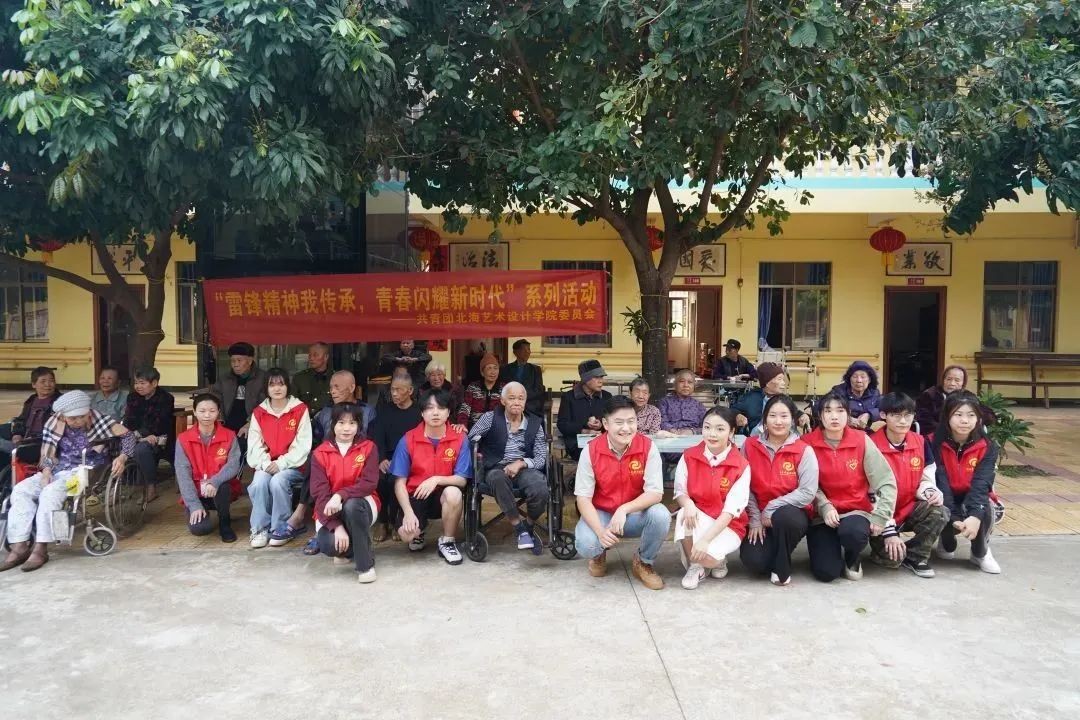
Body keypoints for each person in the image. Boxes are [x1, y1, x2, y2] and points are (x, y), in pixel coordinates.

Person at [1, 391, 135, 573]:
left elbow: (128, 436)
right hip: (58, 469)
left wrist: (122, 457)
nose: (78, 421)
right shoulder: (54, 423)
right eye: (72, 418)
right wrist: (46, 471)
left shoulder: (100, 420)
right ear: (63, 416)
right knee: (21, 490)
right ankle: (19, 545)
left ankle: (41, 547)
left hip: (86, 472)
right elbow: (48, 453)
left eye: (82, 416)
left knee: (50, 493)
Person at [574, 395, 669, 591]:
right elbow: (583, 498)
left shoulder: (647, 447)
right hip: (602, 515)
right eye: (619, 422)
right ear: (605, 424)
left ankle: (643, 561)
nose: (626, 428)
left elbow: (655, 493)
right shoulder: (591, 450)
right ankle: (598, 554)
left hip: (634, 515)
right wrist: (600, 532)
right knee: (587, 545)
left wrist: (624, 509)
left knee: (661, 515)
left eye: (631, 421)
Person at [803, 390, 897, 582]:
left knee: (853, 533)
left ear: (848, 414)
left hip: (855, 511)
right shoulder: (807, 443)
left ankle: (852, 557)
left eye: (840, 411)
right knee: (826, 573)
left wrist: (882, 515)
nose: (834, 416)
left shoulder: (861, 440)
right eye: (828, 411)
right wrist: (824, 505)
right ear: (820, 415)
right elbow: (805, 483)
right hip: (822, 516)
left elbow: (885, 480)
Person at [869, 392, 950, 578]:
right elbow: (867, 491)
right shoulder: (871, 445)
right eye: (896, 415)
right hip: (878, 512)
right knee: (891, 561)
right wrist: (888, 530)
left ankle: (916, 556)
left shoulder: (920, 442)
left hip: (908, 506)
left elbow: (926, 477)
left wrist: (930, 492)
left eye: (908, 415)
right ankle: (885, 549)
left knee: (940, 511)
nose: (903, 421)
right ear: (883, 415)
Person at [740, 395, 818, 586]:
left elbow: (808, 492)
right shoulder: (749, 445)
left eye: (784, 416)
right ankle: (773, 550)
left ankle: (781, 566)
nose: (778, 421)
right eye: (773, 415)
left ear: (792, 419)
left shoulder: (803, 450)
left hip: (791, 515)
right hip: (759, 514)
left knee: (785, 517)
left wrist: (772, 507)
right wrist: (755, 518)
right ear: (765, 418)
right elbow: (743, 485)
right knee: (755, 562)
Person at [390, 388, 473, 565]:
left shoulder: (460, 438)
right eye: (429, 408)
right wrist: (408, 513)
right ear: (422, 413)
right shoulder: (408, 439)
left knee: (454, 493)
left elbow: (462, 479)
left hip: (443, 495)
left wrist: (436, 479)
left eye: (441, 408)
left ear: (448, 412)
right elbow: (399, 483)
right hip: (417, 495)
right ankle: (419, 531)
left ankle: (447, 541)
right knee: (407, 535)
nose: (435, 413)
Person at [673, 407, 751, 589]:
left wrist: (705, 541)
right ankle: (695, 567)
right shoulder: (689, 456)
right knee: (684, 513)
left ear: (731, 432)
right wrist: (688, 503)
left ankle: (718, 561)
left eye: (720, 429)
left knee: (710, 560)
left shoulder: (741, 465)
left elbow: (730, 512)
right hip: (700, 517)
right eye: (707, 427)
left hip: (728, 525)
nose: (712, 434)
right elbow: (679, 490)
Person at [468, 382, 549, 553]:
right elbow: (471, 438)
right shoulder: (490, 418)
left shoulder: (534, 423)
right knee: (497, 478)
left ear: (525, 401)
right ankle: (520, 529)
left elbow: (541, 457)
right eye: (512, 398)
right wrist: (478, 451)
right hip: (495, 467)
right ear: (503, 401)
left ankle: (528, 526)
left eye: (521, 398)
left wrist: (521, 463)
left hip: (524, 468)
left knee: (540, 487)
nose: (517, 402)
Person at [309, 403, 381, 583]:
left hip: (362, 504)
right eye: (341, 423)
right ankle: (352, 547)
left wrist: (340, 495)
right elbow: (319, 494)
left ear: (359, 425)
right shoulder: (320, 453)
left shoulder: (368, 447)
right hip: (329, 509)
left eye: (352, 423)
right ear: (333, 424)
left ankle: (365, 565)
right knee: (329, 545)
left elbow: (368, 483)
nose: (346, 428)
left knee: (352, 505)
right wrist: (336, 526)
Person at [933, 390, 1001, 574]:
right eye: (958, 414)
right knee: (938, 509)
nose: (965, 421)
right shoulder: (933, 442)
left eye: (971, 415)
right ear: (947, 416)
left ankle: (980, 553)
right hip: (944, 495)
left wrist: (975, 515)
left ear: (978, 418)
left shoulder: (988, 446)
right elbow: (940, 481)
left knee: (985, 507)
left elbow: (982, 483)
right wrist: (955, 518)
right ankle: (946, 541)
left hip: (971, 495)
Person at [246, 368, 313, 548]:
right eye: (272, 384)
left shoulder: (299, 409)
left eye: (281, 384)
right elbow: (254, 444)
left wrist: (281, 463)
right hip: (267, 464)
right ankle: (259, 529)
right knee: (259, 482)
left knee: (278, 481)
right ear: (266, 388)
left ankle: (281, 528)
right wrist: (266, 463)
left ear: (287, 386)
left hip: (294, 466)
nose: (277, 388)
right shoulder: (259, 412)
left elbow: (303, 444)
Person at [174, 394, 242, 543]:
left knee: (223, 486)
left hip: (220, 490)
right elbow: (183, 474)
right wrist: (193, 504)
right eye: (202, 411)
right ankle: (200, 509)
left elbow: (233, 465)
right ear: (194, 411)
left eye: (212, 411)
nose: (207, 415)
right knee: (200, 529)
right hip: (196, 492)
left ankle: (225, 522)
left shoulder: (229, 435)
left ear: (218, 412)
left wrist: (214, 481)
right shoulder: (184, 439)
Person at [370, 374, 423, 539]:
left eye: (399, 390)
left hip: (411, 459)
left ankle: (395, 522)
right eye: (392, 389)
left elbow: (421, 441)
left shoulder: (419, 413)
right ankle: (383, 522)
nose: (394, 393)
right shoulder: (384, 411)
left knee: (396, 479)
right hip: (387, 458)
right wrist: (381, 459)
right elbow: (378, 437)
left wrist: (402, 461)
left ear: (410, 390)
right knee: (379, 479)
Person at [124, 366, 176, 504]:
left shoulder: (166, 398)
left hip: (160, 438)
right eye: (136, 383)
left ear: (154, 383)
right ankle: (119, 486)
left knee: (142, 449)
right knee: (115, 444)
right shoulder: (132, 398)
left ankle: (150, 488)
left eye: (142, 383)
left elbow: (159, 423)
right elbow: (129, 420)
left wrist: (143, 435)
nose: (138, 386)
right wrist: (137, 435)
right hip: (136, 435)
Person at [211, 341, 268, 448]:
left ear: (250, 361)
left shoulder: (263, 378)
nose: (235, 364)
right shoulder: (224, 379)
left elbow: (265, 405)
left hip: (253, 425)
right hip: (227, 424)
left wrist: (250, 423)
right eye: (232, 361)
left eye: (239, 360)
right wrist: (219, 421)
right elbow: (215, 401)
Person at [915, 365, 996, 437]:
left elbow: (989, 415)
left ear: (963, 383)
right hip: (937, 436)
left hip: (965, 436)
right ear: (943, 380)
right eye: (948, 379)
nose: (952, 383)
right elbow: (924, 420)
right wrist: (948, 431)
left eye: (957, 380)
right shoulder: (930, 395)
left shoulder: (967, 396)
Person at [732, 362, 810, 437]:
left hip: (787, 438)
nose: (783, 383)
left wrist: (802, 416)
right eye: (779, 379)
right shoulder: (752, 397)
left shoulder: (784, 399)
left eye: (783, 379)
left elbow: (795, 413)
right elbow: (732, 411)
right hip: (759, 438)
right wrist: (737, 416)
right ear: (767, 383)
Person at [556, 359, 612, 461]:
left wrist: (601, 425)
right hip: (577, 444)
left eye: (601, 377)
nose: (601, 381)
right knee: (591, 454)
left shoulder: (607, 397)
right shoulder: (569, 397)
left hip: (602, 441)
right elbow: (563, 424)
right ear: (586, 379)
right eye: (596, 377)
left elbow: (612, 422)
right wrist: (584, 431)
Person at [1, 366, 61, 452]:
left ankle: (17, 450)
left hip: (42, 440)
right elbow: (21, 419)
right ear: (34, 384)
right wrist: (17, 434)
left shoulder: (60, 401)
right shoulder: (32, 400)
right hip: (25, 435)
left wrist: (34, 438)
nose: (48, 384)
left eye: (51, 381)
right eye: (43, 381)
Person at [823, 360, 883, 432]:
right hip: (843, 432)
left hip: (867, 433)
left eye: (863, 377)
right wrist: (846, 419)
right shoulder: (838, 391)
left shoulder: (874, 392)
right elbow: (821, 407)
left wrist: (869, 414)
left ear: (869, 380)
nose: (859, 380)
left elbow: (883, 408)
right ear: (849, 379)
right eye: (855, 376)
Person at [499, 339, 546, 417]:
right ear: (515, 352)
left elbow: (538, 390)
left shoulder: (535, 369)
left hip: (530, 408)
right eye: (524, 349)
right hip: (510, 407)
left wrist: (521, 398)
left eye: (529, 349)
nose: (528, 352)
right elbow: (503, 388)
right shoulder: (505, 369)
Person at [457, 352, 504, 428]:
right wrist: (462, 424)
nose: (493, 372)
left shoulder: (504, 388)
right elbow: (465, 407)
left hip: (496, 427)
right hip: (475, 426)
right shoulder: (473, 387)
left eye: (495, 368)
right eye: (489, 368)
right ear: (482, 372)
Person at [658, 369, 708, 436]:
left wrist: (692, 432)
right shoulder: (665, 402)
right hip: (670, 436)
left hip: (693, 437)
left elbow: (706, 426)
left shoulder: (699, 405)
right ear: (675, 384)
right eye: (682, 381)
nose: (686, 385)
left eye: (690, 382)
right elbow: (662, 421)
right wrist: (672, 430)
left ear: (694, 386)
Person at [292, 342, 334, 416]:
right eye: (310, 355)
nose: (311, 358)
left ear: (326, 357)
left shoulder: (335, 378)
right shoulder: (300, 378)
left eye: (315, 355)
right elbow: (293, 404)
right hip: (305, 419)